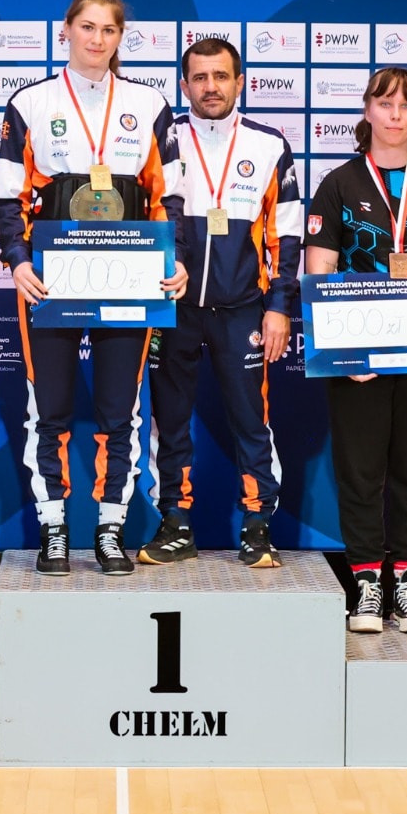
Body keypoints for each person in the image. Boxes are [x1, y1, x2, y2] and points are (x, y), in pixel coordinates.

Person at [0, 0, 187, 576]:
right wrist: (18, 261)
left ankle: (109, 528)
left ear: (120, 37)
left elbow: (169, 195)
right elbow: (8, 195)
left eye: (109, 30)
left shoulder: (148, 104)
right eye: (87, 27)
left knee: (119, 410)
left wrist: (172, 259)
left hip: (129, 277)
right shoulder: (30, 102)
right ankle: (53, 527)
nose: (97, 39)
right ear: (66, 30)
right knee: (47, 408)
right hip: (51, 279)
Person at [304, 67, 407, 634]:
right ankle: (367, 586)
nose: (395, 115)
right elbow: (320, 268)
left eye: (406, 105)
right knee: (360, 471)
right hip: (359, 348)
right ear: (367, 110)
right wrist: (339, 353)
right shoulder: (339, 183)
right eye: (385, 103)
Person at [140, 38, 301, 569]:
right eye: (200, 77)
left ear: (240, 82)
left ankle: (257, 526)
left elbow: (286, 233)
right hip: (173, 306)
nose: (211, 87)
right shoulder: (162, 138)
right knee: (169, 420)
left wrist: (278, 306)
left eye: (221, 76)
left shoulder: (268, 143)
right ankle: (174, 522)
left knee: (252, 420)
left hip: (243, 307)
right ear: (184, 85)